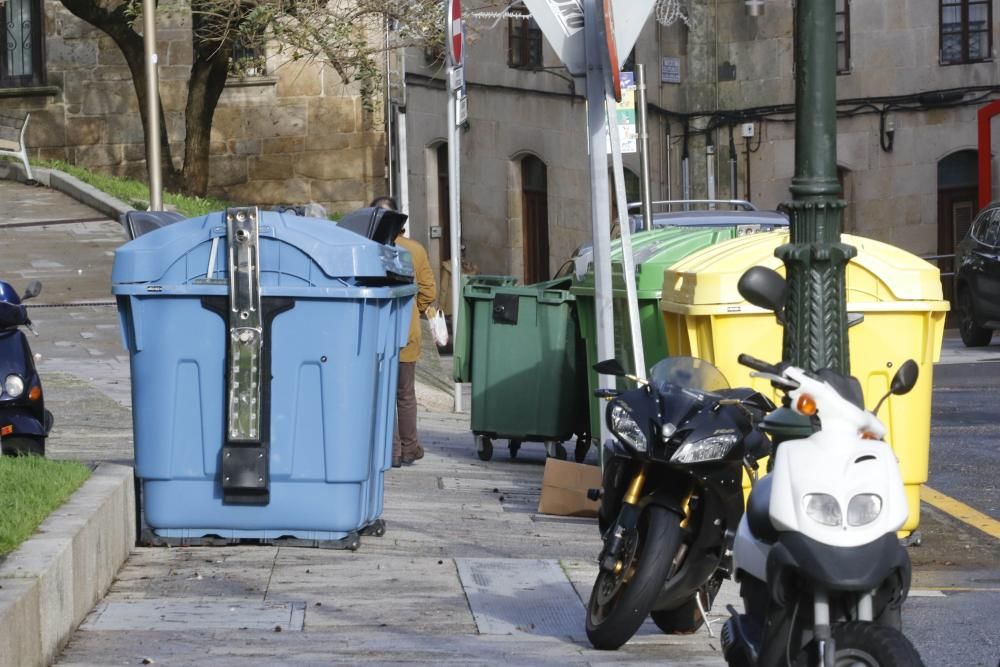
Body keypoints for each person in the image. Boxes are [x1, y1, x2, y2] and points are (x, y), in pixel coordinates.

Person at [370, 196, 437, 468]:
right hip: (406, 331)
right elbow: (429, 291)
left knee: (383, 392)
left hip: (376, 331)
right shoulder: (415, 250)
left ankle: (392, 450)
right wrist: (413, 311)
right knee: (405, 393)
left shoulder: (368, 248)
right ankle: (409, 447)